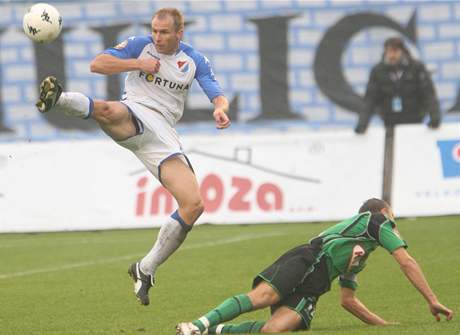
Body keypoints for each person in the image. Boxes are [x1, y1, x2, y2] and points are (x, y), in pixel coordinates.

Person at [35, 8, 230, 306]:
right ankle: (57, 99)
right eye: (155, 30)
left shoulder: (195, 61)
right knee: (109, 110)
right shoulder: (141, 45)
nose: (158, 37)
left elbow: (216, 92)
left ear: (180, 33)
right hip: (136, 110)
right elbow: (97, 64)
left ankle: (146, 268)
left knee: (193, 205)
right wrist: (138, 63)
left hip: (163, 135)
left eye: (165, 32)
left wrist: (220, 108)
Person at [176, 198, 453, 335]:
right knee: (264, 297)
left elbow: (348, 300)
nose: (394, 226)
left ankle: (212, 331)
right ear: (384, 214)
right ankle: (195, 324)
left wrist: (384, 325)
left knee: (273, 330)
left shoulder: (360, 253)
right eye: (393, 219)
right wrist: (432, 300)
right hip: (308, 259)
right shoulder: (376, 221)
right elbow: (406, 260)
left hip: (315, 285)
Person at [355, 37, 441, 134]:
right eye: (388, 51)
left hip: (415, 122)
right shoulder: (378, 71)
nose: (391, 55)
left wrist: (435, 117)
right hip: (389, 123)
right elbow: (370, 99)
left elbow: (428, 94)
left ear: (402, 51)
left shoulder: (416, 68)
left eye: (394, 51)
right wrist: (362, 123)